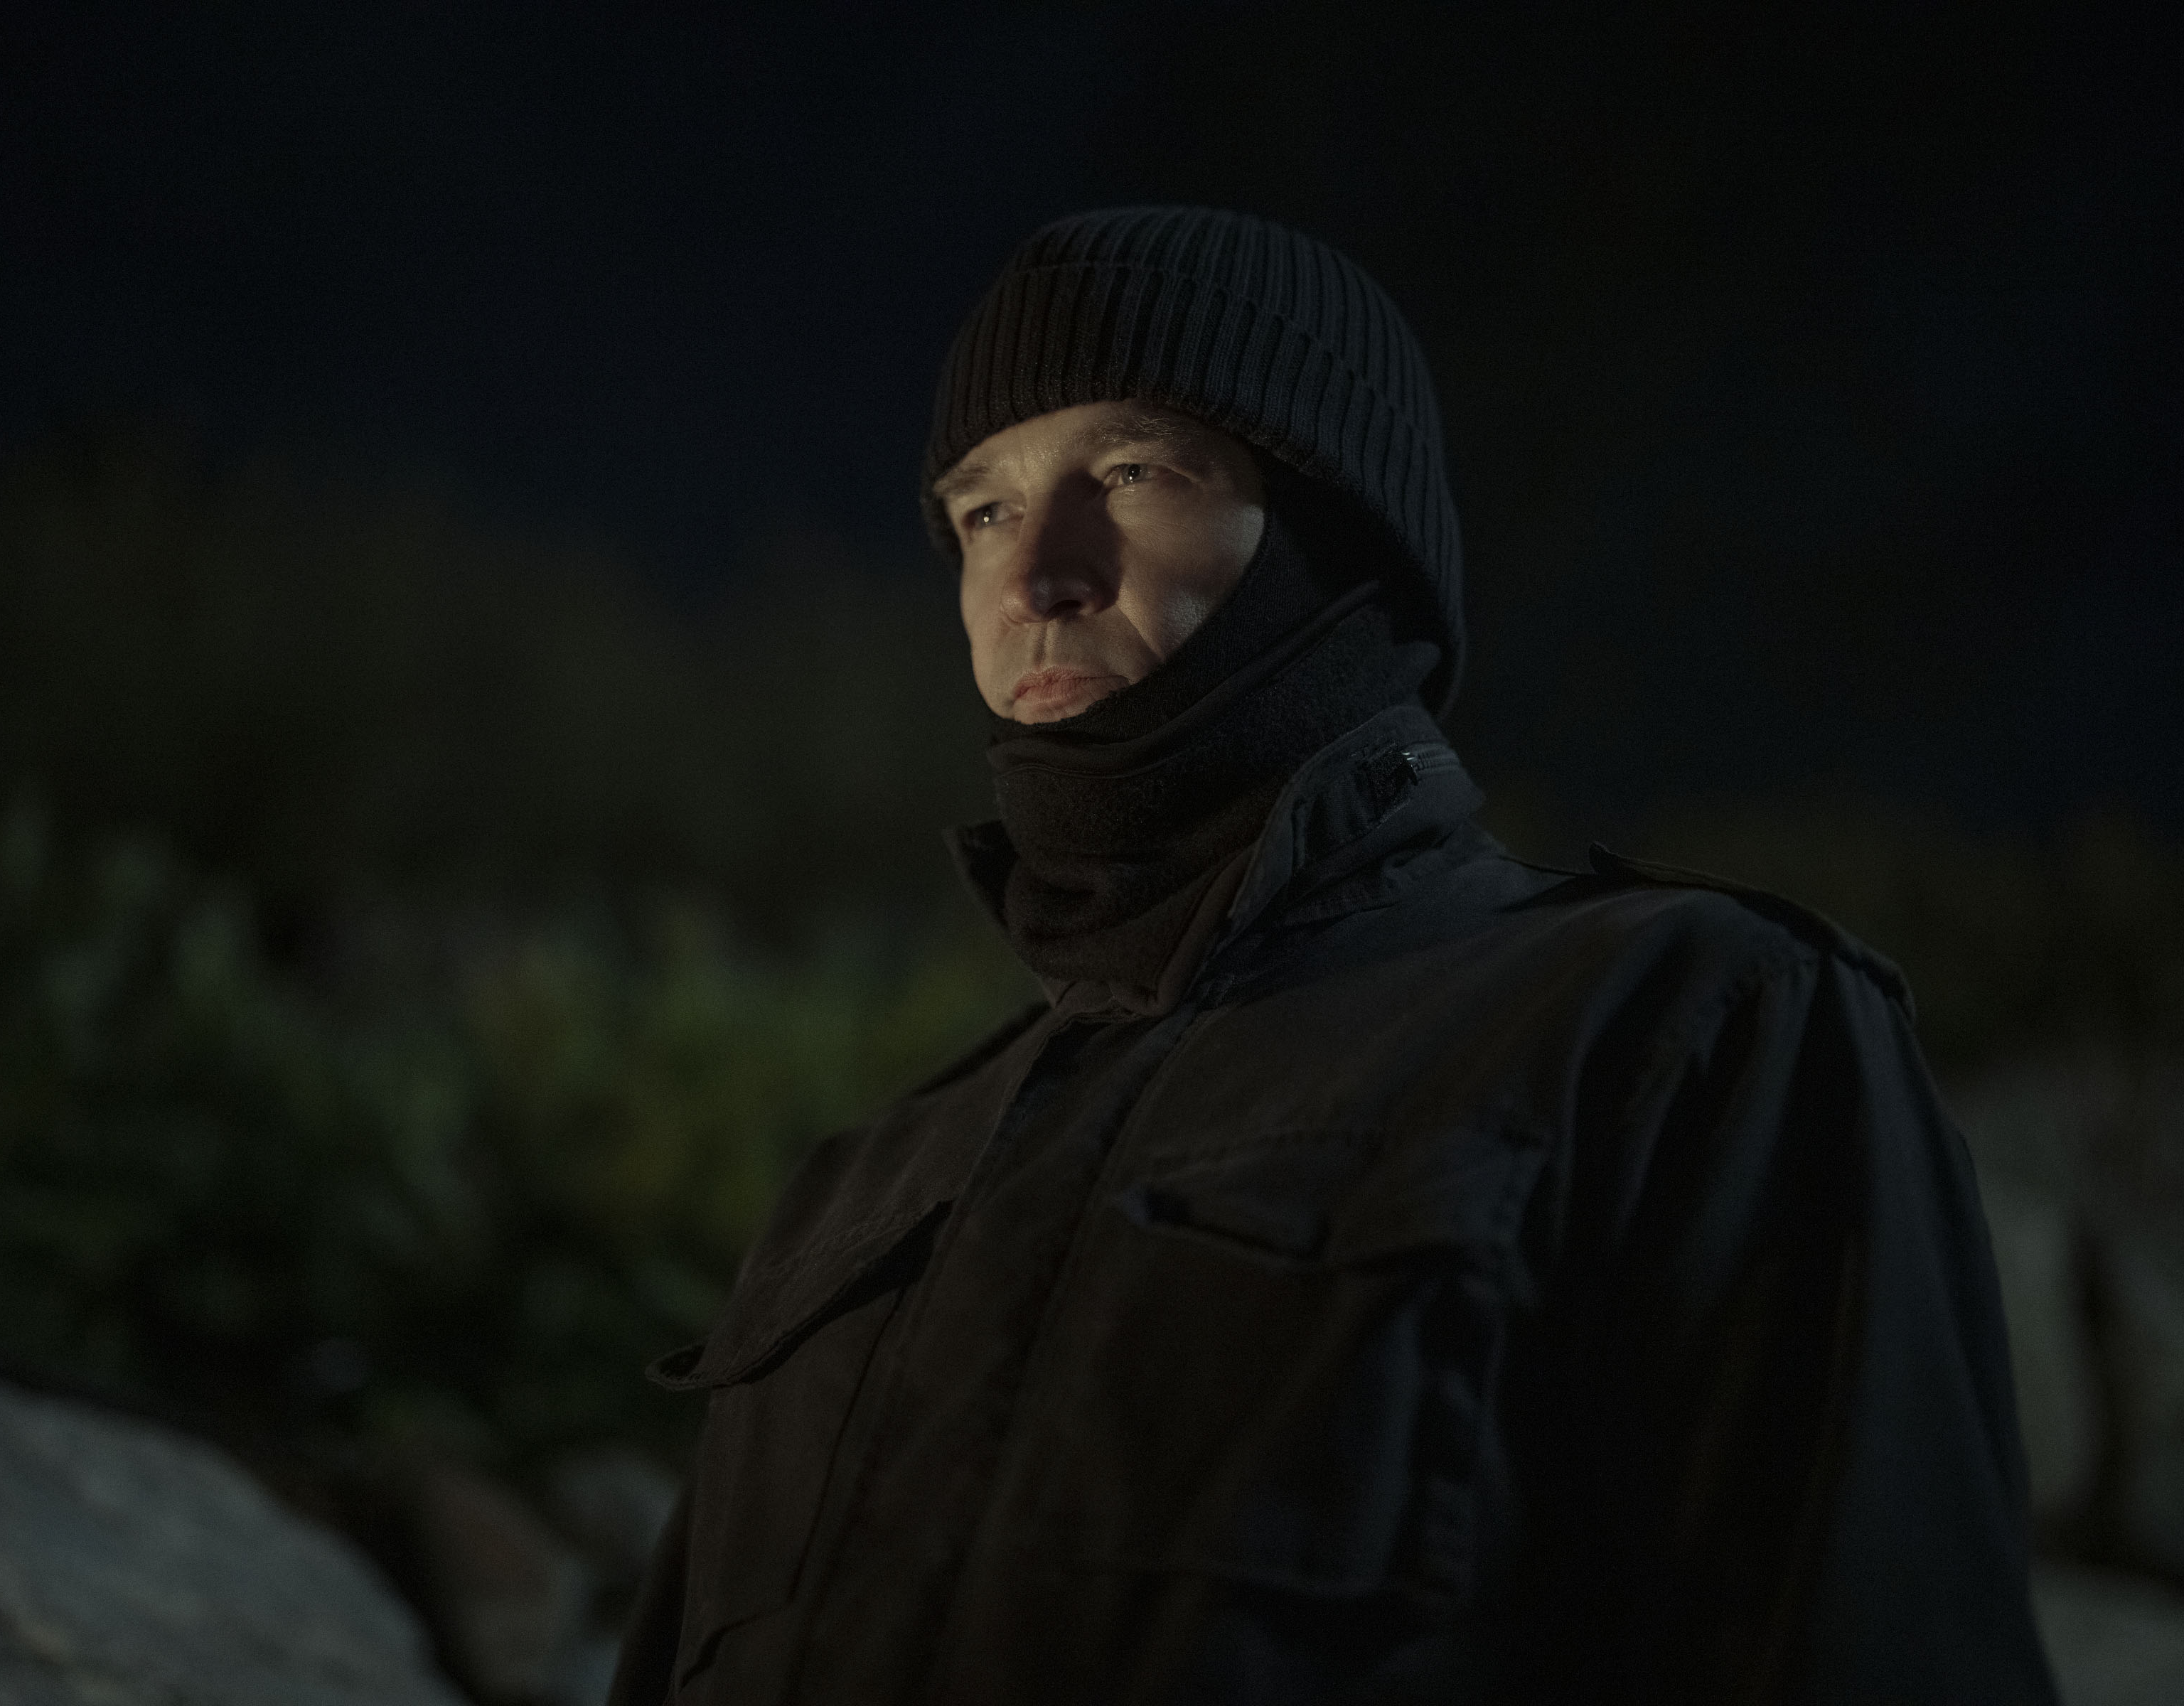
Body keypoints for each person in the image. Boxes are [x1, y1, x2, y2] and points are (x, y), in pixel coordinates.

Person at [609, 206, 2056, 1705]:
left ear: (1340, 536)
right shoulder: (866, 1188)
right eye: (983, 511)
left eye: (1135, 473)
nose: (1036, 576)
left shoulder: (1688, 1027)